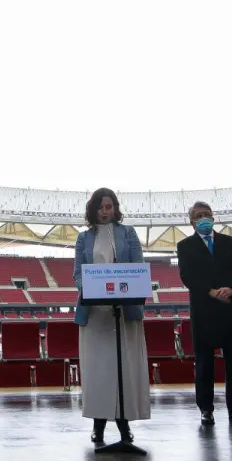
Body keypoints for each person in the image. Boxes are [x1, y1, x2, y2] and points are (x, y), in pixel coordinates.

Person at [73, 187, 150, 446]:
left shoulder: (128, 233)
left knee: (124, 369)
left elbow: (138, 266)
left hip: (124, 312)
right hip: (96, 315)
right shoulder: (84, 238)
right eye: (100, 207)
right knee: (99, 371)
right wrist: (89, 288)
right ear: (93, 210)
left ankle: (124, 424)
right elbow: (78, 273)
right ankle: (99, 425)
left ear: (115, 209)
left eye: (109, 207)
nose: (105, 212)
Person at [177, 201, 232, 426]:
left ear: (213, 217)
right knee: (204, 363)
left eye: (207, 214)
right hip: (203, 309)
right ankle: (206, 409)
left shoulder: (229, 242)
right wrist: (210, 291)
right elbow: (187, 276)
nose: (204, 218)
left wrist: (231, 288)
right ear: (192, 222)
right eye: (199, 215)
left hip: (229, 306)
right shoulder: (185, 246)